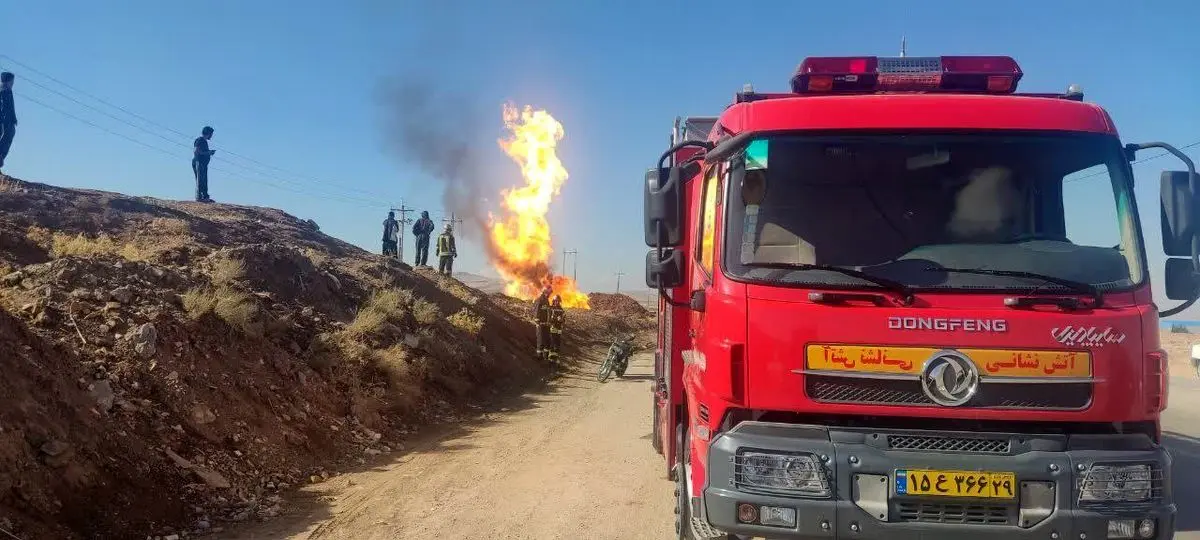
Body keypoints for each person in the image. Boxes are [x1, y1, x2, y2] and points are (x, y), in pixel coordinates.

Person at [192, 126, 216, 202]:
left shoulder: (204, 141)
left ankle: (205, 197)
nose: (211, 136)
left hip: (203, 164)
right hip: (199, 162)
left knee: (204, 180)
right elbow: (196, 151)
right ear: (208, 133)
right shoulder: (200, 140)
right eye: (211, 134)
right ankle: (199, 197)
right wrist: (208, 153)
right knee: (200, 180)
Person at [0, 72, 16, 173]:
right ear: (8, 81)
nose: (13, 83)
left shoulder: (8, 91)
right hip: (4, 122)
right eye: (12, 81)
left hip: (8, 121)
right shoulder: (3, 91)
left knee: (6, 141)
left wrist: (14, 119)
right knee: (4, 142)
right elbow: (3, 108)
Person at [531, 286, 552, 362]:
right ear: (545, 292)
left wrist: (549, 322)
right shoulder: (539, 300)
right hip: (541, 325)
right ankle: (539, 357)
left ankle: (545, 357)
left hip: (546, 325)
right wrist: (538, 323)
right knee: (540, 341)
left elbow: (548, 313)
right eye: (549, 292)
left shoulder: (546, 301)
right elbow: (536, 312)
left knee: (547, 341)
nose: (550, 294)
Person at [547, 295, 565, 366]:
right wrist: (553, 319)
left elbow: (564, 319)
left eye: (558, 301)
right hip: (553, 328)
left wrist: (561, 320)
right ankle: (550, 359)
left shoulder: (561, 309)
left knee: (557, 344)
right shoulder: (551, 309)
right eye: (555, 301)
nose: (557, 302)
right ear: (553, 301)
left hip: (559, 329)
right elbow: (548, 319)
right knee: (552, 343)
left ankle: (556, 359)